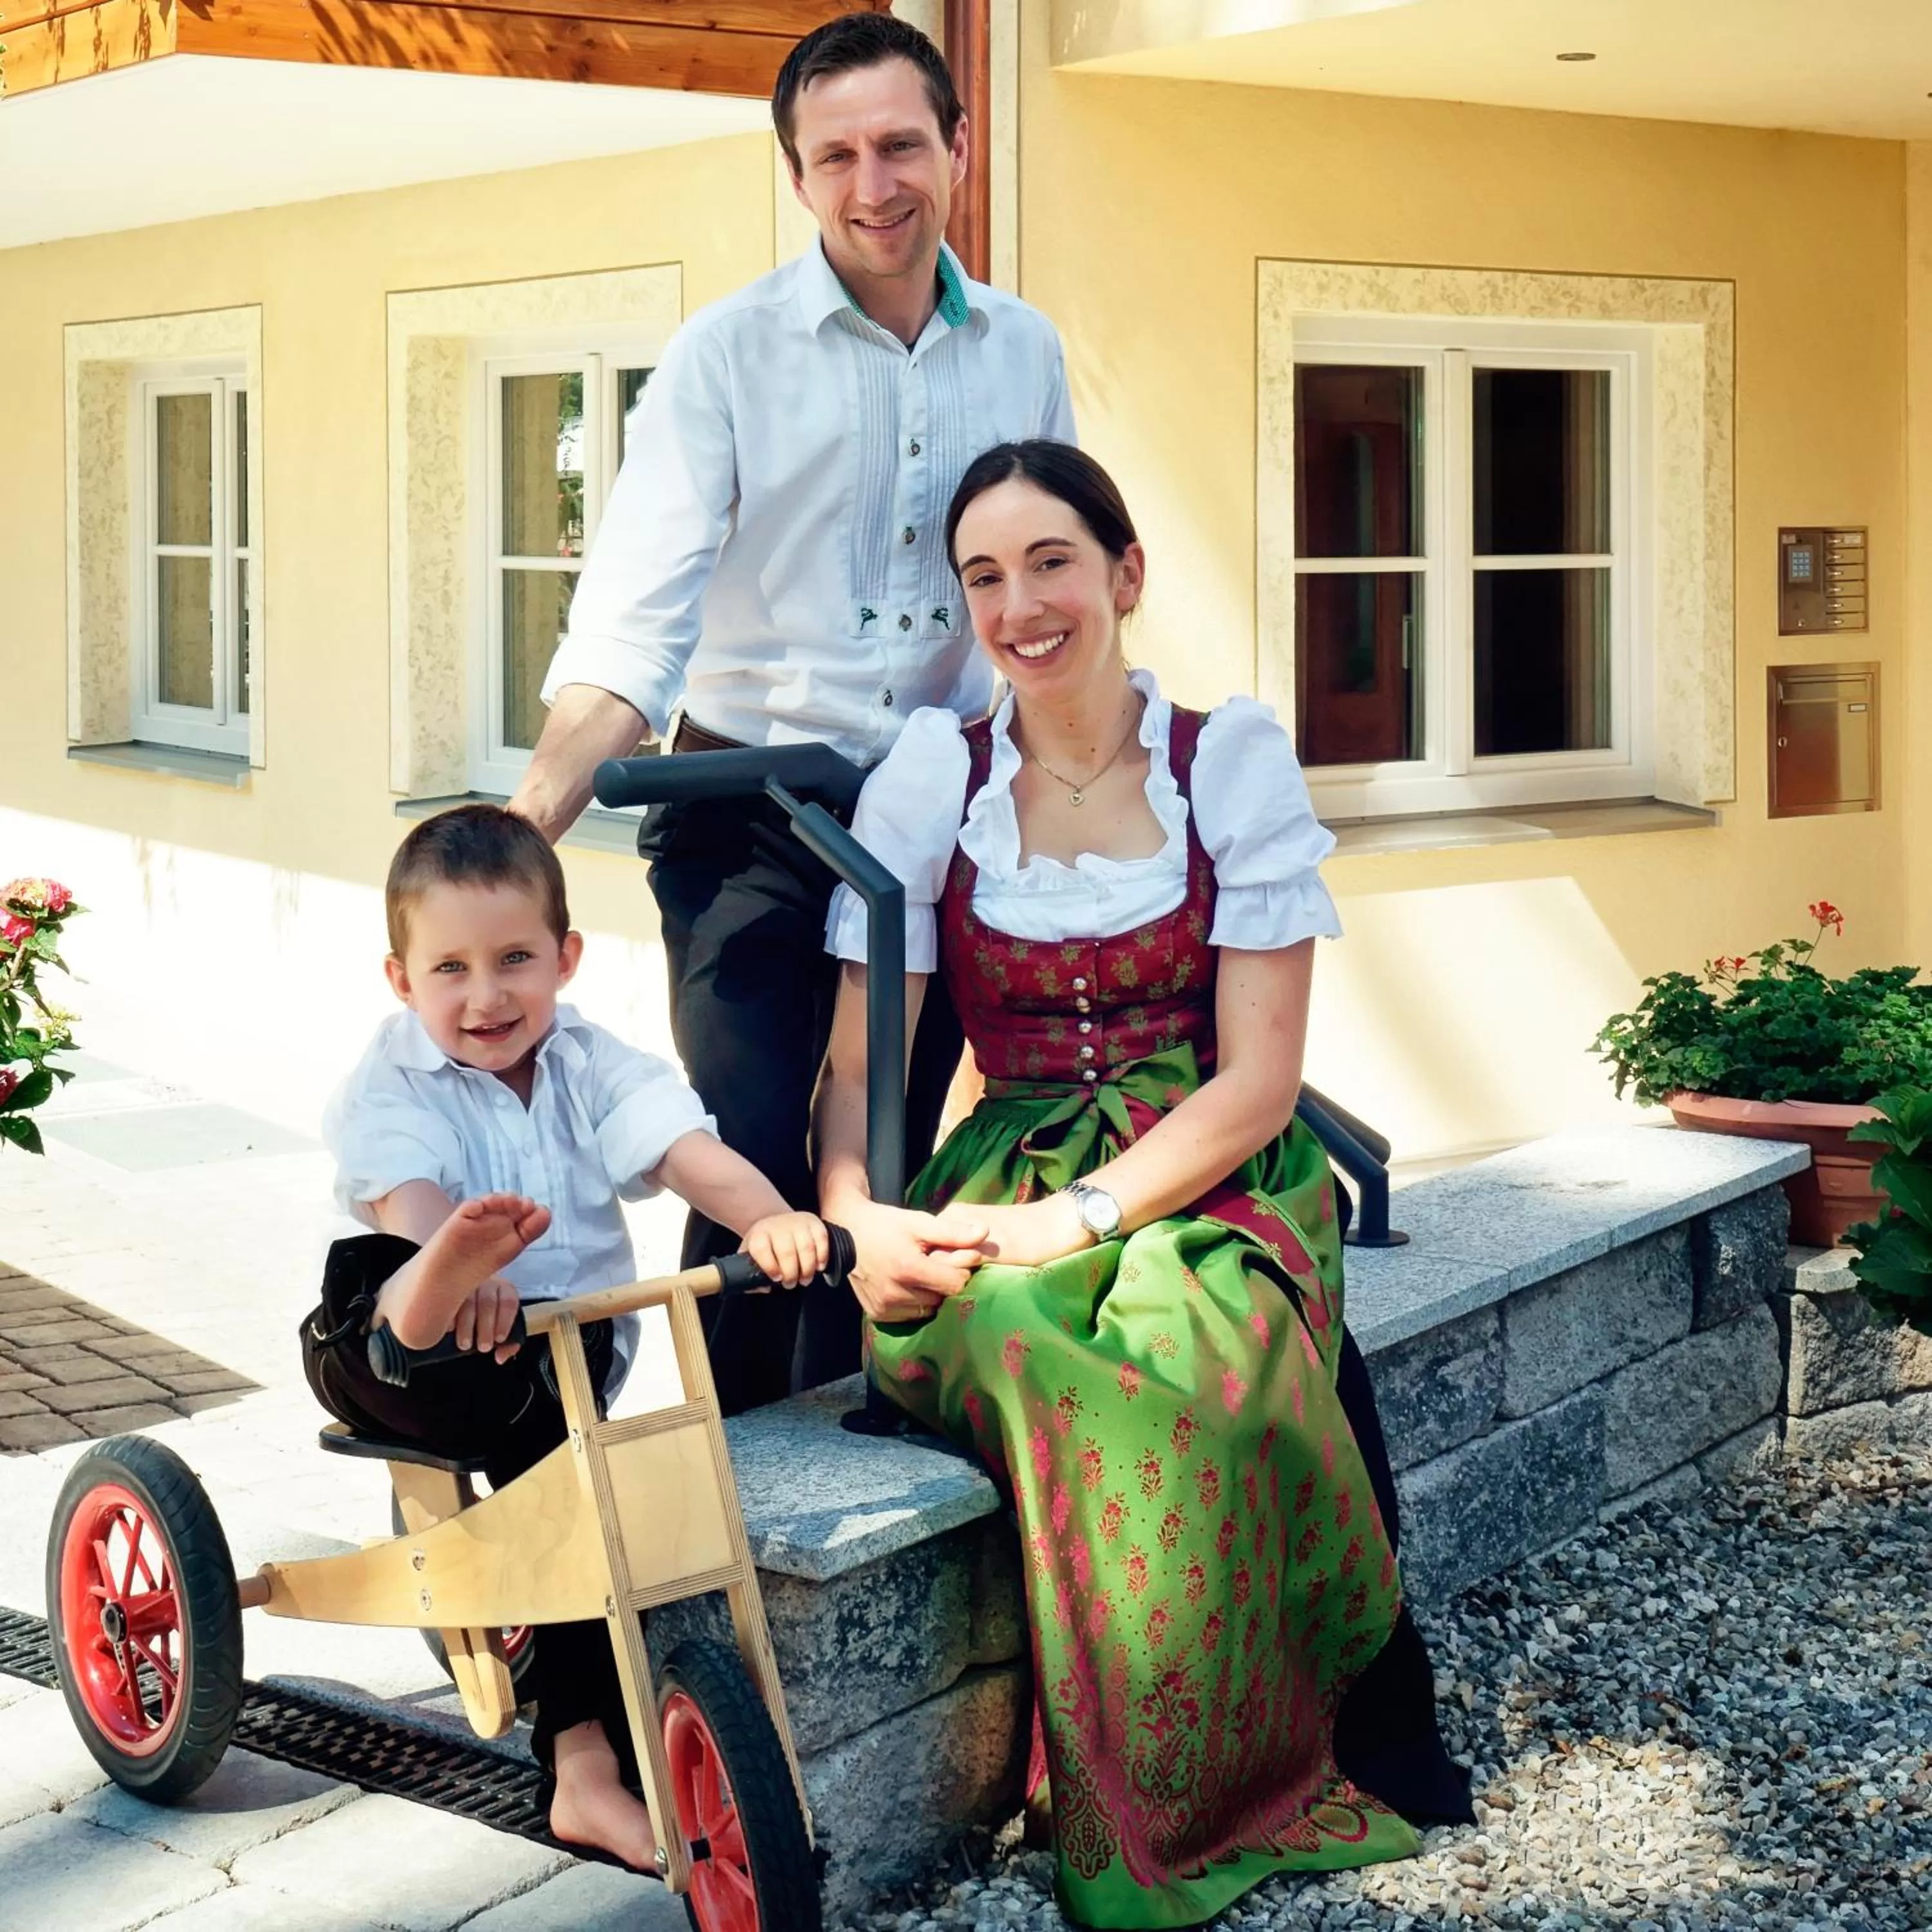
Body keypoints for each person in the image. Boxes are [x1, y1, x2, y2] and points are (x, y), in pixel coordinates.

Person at [815, 442, 1472, 1929]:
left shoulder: (1221, 762)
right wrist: (859, 1221)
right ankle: (1147, 1784)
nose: (1019, 606)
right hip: (1004, 1155)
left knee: (1193, 1343)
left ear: (1124, 574)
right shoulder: (936, 778)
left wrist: (1080, 1217)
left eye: (1051, 562)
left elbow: (1260, 1082)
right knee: (1023, 1327)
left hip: (1210, 1163)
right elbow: (856, 1072)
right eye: (984, 576)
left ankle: (1244, 1764)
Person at [509, 11, 1075, 1415]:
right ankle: (748, 1480)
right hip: (747, 808)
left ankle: (870, 1445)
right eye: (837, 156)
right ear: (797, 173)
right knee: (754, 1157)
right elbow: (633, 622)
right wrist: (525, 830)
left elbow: (1043, 587)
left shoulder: (1024, 349)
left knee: (888, 1155)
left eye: (900, 145)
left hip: (930, 818)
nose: (874, 185)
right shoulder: (724, 356)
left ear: (957, 146)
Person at [301, 804, 828, 1871]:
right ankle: (581, 1774)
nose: (486, 997)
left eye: (514, 961)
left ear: (566, 959)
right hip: (386, 1355)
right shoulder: (394, 1078)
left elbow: (680, 1150)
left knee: (586, 1479)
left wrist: (769, 1217)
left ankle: (661, 1723)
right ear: (402, 981)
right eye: (450, 969)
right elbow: (404, 1186)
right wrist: (442, 1252)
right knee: (404, 1283)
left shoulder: (590, 1061)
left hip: (551, 1362)